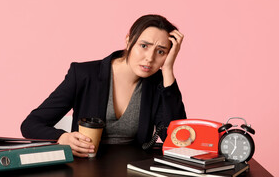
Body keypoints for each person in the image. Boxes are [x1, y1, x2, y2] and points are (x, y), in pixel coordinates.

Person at [21, 14, 186, 157]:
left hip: (134, 168)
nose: (150, 58)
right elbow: (30, 125)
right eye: (144, 46)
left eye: (161, 52)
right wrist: (61, 138)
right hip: (87, 166)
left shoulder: (158, 83)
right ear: (128, 41)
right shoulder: (84, 75)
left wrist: (169, 70)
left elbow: (176, 139)